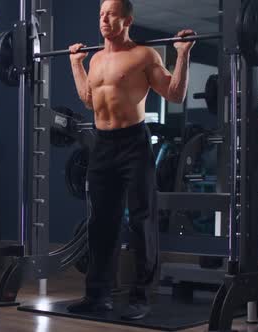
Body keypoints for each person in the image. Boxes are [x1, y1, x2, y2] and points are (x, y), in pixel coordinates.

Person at [67, 0, 194, 320]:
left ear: (127, 20)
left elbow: (175, 94)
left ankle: (140, 296)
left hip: (133, 143)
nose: (104, 20)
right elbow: (88, 100)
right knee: (100, 224)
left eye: (111, 14)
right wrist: (76, 65)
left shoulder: (144, 55)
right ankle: (98, 295)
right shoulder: (95, 59)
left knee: (141, 221)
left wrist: (182, 54)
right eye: (100, 14)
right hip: (102, 145)